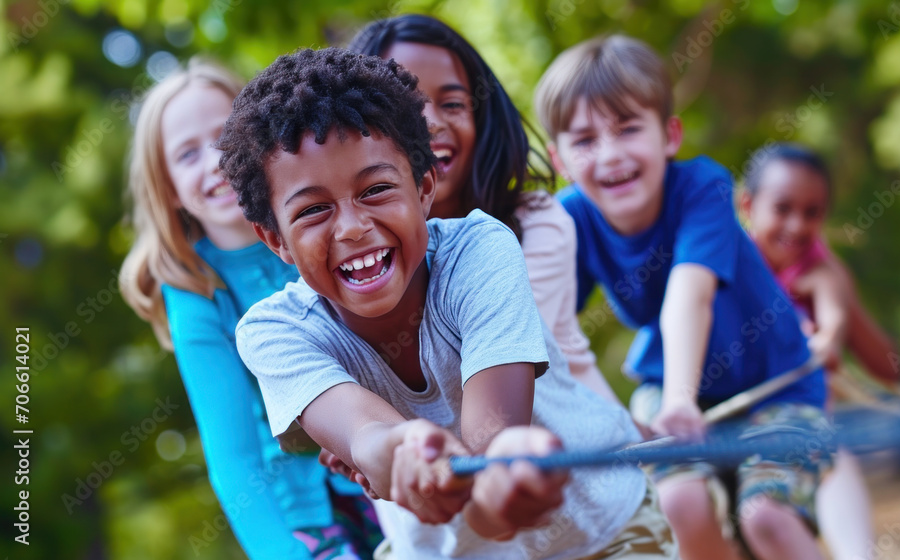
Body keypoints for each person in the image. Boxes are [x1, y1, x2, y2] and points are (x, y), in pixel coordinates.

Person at [220, 47, 675, 559]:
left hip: (599, 529)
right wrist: (399, 453)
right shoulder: (274, 333)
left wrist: (501, 476)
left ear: (424, 188)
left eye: (376, 190)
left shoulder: (479, 250)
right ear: (274, 239)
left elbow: (493, 440)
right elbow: (364, 434)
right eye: (314, 210)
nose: (351, 227)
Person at [535, 35, 829, 560]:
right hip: (666, 390)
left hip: (776, 388)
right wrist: (615, 419)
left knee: (766, 517)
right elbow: (552, 332)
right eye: (584, 140)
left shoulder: (702, 186)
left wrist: (679, 399)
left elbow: (688, 295)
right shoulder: (568, 220)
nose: (610, 154)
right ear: (558, 159)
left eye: (628, 129)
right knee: (679, 505)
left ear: (670, 134)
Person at [118, 59, 381, 560]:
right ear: (169, 187)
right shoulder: (194, 288)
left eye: (222, 139)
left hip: (390, 458)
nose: (213, 162)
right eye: (187, 154)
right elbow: (233, 455)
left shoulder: (327, 224)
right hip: (304, 515)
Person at [345, 14, 620, 406]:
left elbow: (483, 366)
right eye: (406, 107)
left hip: (581, 438)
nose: (433, 123)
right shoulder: (355, 253)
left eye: (453, 103)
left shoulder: (535, 222)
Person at [739, 143, 900, 560]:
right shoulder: (724, 267)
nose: (797, 224)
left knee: (831, 455)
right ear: (748, 205)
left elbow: (887, 368)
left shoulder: (823, 270)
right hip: (739, 436)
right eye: (782, 208)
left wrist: (834, 325)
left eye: (812, 212)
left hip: (807, 435)